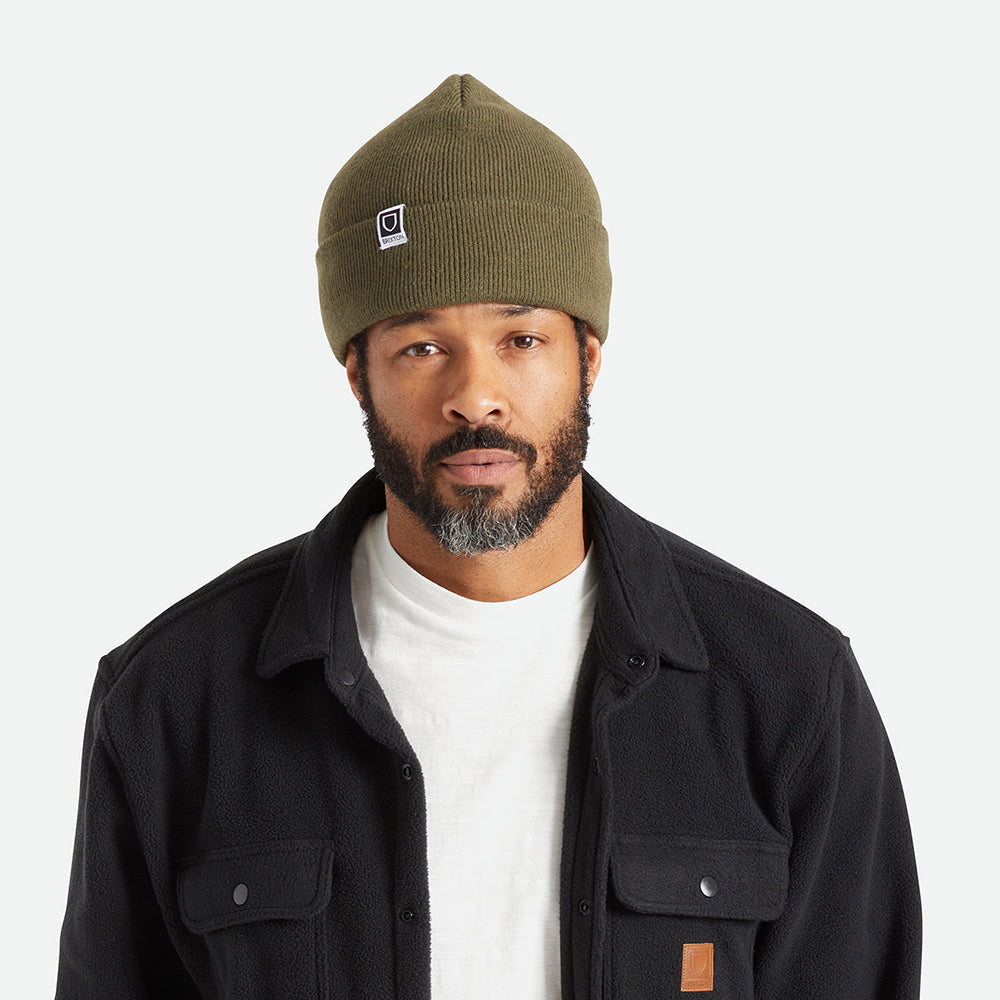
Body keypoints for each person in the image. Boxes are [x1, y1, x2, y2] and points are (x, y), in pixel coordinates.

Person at [55, 74, 921, 999]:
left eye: (521, 339)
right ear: (357, 375)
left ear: (589, 356)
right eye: (421, 347)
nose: (475, 396)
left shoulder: (788, 689)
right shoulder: (173, 697)